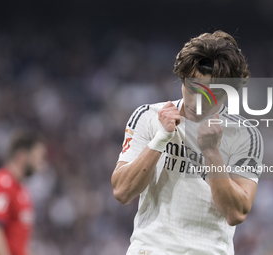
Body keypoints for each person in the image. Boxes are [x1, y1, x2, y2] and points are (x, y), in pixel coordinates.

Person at [112, 30, 263, 255]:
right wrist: (160, 138)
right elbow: (122, 191)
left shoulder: (245, 135)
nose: (198, 102)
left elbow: (236, 213)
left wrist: (212, 152)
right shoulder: (148, 116)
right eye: (193, 88)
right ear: (182, 78)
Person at [0, 131, 47, 255]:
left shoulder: (22, 191)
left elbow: (19, 243)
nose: (42, 164)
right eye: (38, 157)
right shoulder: (2, 184)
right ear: (22, 156)